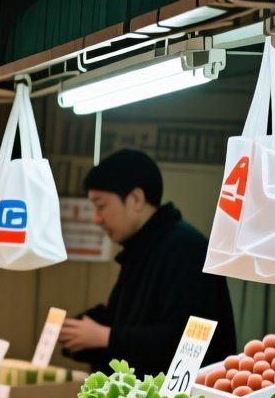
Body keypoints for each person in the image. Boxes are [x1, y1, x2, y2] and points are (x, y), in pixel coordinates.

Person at [60, 149, 236, 377]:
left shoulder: (184, 248)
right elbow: (126, 319)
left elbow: (190, 339)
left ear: (136, 199)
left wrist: (106, 337)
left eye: (101, 205)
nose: (95, 218)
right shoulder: (141, 248)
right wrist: (77, 330)